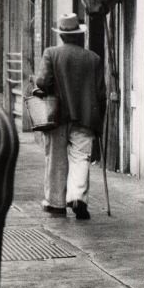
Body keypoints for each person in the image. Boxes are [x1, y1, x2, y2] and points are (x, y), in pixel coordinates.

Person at [35, 12, 106, 221]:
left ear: (62, 36)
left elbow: (42, 81)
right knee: (81, 158)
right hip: (85, 116)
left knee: (56, 158)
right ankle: (78, 197)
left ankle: (56, 203)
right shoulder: (93, 58)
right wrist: (99, 119)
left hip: (56, 115)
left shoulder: (51, 53)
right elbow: (101, 93)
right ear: (78, 35)